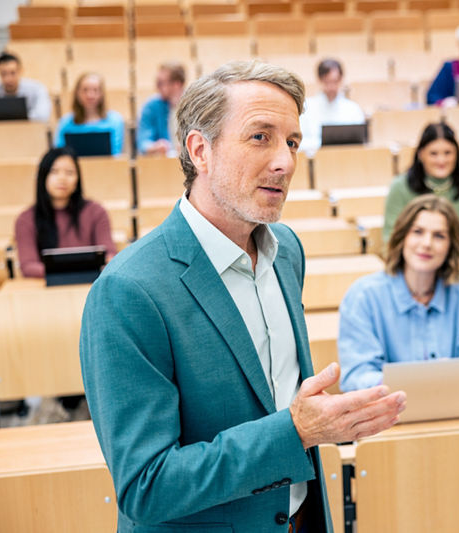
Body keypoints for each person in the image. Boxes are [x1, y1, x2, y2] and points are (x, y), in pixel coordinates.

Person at [80, 60, 406, 532]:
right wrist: (296, 432)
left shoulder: (287, 249)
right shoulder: (128, 291)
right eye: (261, 137)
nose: (286, 161)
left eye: (292, 142)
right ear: (200, 150)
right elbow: (146, 486)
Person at [339, 194, 459, 392]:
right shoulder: (363, 296)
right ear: (402, 237)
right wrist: (425, 383)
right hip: (387, 414)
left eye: (439, 236)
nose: (426, 243)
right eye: (418, 232)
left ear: (451, 246)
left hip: (455, 410)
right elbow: (356, 376)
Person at [383, 122, 459, 254]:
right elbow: (390, 240)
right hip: (415, 265)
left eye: (448, 153)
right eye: (433, 154)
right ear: (421, 154)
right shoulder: (400, 187)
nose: (441, 160)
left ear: (457, 154)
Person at [15, 146, 117, 278]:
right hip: (48, 289)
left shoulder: (96, 212)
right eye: (54, 172)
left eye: (69, 172)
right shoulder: (26, 219)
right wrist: (77, 270)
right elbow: (28, 266)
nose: (62, 178)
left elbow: (110, 254)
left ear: (77, 179)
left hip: (89, 285)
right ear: (43, 176)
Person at [298, 58, 366, 154]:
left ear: (341, 79)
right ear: (320, 80)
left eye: (335, 81)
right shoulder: (306, 107)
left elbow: (361, 143)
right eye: (327, 81)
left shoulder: (353, 109)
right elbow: (299, 142)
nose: (331, 87)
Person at [55, 72, 125, 155]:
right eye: (85, 90)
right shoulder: (65, 122)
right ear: (77, 93)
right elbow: (59, 153)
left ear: (102, 94)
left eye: (95, 90)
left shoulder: (115, 120)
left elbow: (116, 153)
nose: (90, 95)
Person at [0, 51, 51, 123]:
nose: (8, 79)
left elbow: (42, 116)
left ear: (20, 71)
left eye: (13, 73)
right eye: (3, 74)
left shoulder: (36, 89)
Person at [137, 62, 186, 156]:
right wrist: (154, 146)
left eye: (160, 83)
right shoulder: (151, 106)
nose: (157, 87)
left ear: (177, 84)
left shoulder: (193, 105)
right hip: (163, 163)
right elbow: (143, 143)